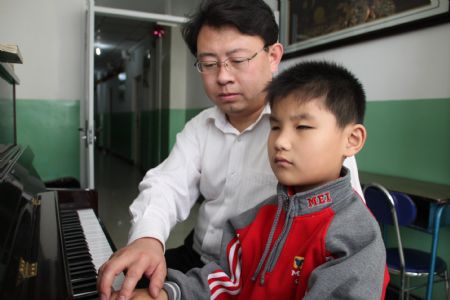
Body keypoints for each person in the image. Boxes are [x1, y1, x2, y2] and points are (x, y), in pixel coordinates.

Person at [97, 1, 365, 299]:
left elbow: (344, 221)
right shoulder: (200, 127)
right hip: (199, 259)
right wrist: (148, 239)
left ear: (273, 56)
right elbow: (167, 186)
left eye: (237, 60)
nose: (222, 76)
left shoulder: (310, 135)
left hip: (265, 274)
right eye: (209, 64)